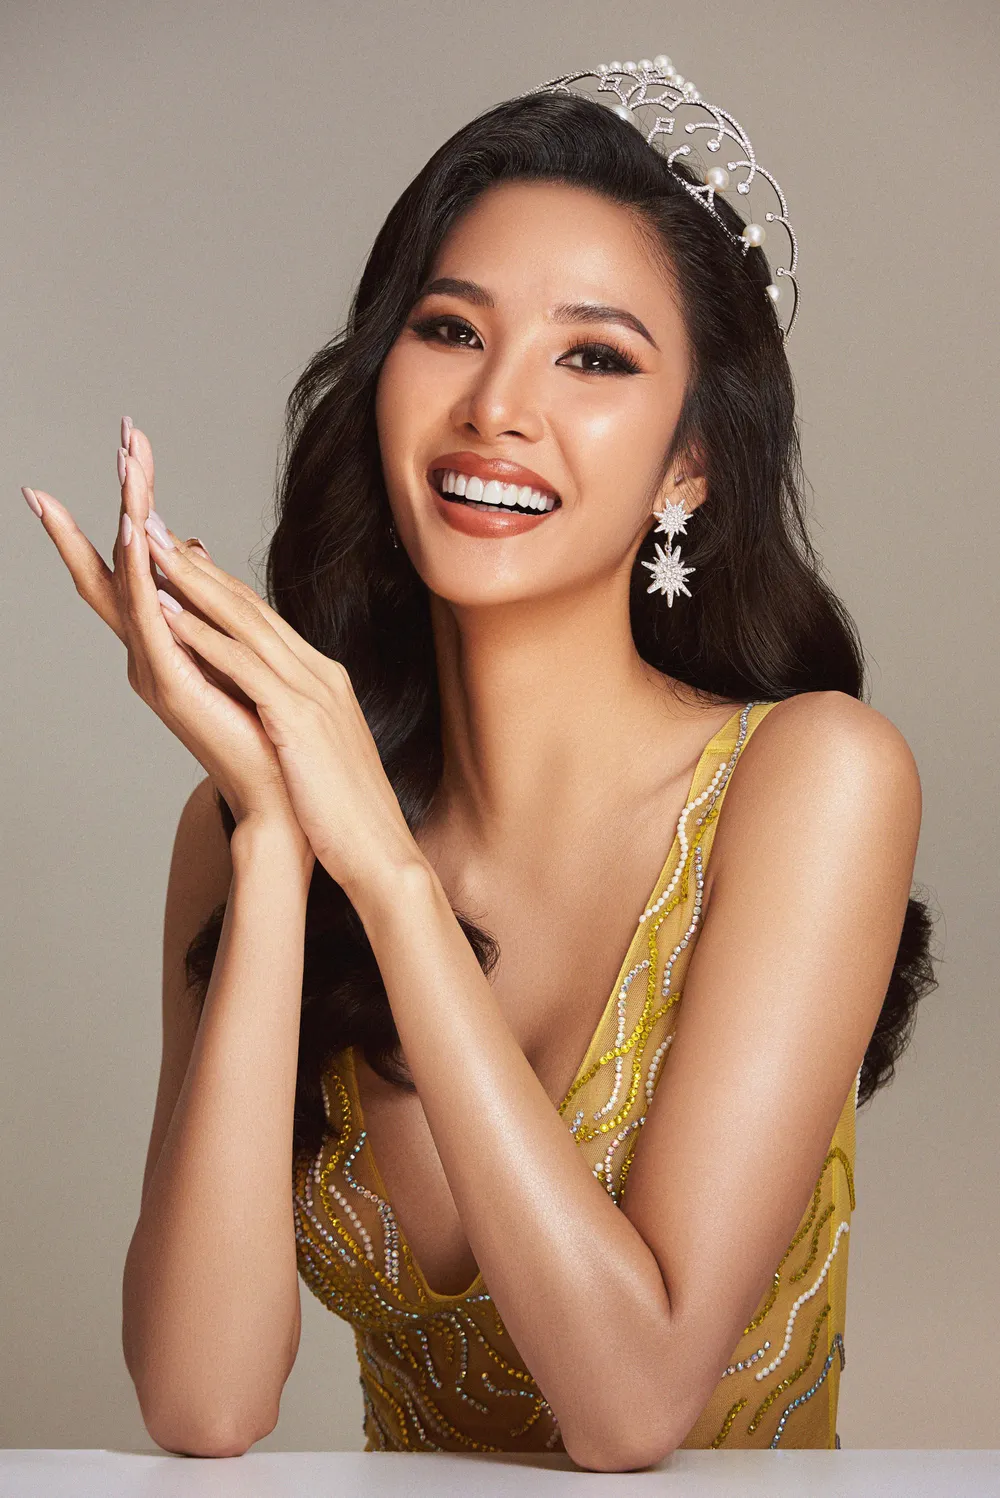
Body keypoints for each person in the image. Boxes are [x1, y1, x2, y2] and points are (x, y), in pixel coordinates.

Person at [22, 55, 937, 1470]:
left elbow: (633, 1407)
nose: (498, 406)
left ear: (690, 462)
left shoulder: (814, 782)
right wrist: (274, 838)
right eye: (451, 330)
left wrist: (389, 879)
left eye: (595, 357)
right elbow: (202, 1401)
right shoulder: (248, 826)